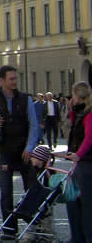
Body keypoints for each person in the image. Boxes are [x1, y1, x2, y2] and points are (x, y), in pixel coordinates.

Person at [0, 65, 40, 240]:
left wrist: (29, 148)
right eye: (11, 79)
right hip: (4, 151)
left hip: (23, 150)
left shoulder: (25, 99)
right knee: (6, 192)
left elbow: (34, 125)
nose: (15, 81)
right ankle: (9, 229)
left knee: (32, 190)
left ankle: (32, 226)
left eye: (15, 78)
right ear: (2, 80)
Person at [62, 81, 92, 242]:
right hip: (82, 164)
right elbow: (73, 129)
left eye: (73, 95)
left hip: (87, 164)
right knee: (72, 200)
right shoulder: (81, 112)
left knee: (86, 205)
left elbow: (89, 138)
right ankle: (77, 237)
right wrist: (71, 110)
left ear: (78, 97)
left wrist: (78, 154)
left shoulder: (89, 114)